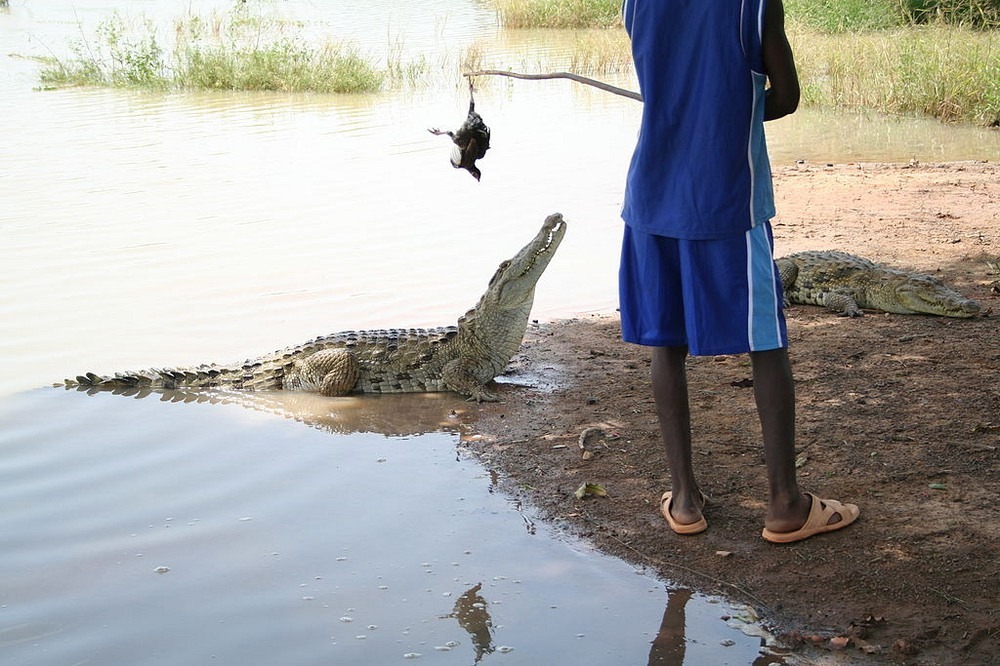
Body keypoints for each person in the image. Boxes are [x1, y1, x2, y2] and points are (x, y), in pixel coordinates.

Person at [619, 0, 859, 543]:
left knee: (666, 344)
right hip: (728, 197)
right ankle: (785, 506)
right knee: (766, 341)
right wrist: (732, 105)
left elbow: (665, 79)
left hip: (651, 195)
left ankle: (684, 501)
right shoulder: (755, 3)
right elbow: (787, 97)